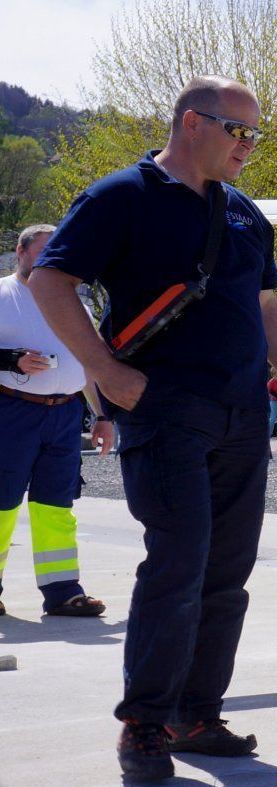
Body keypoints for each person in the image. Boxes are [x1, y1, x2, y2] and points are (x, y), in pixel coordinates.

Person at [32, 76, 277, 785]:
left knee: (227, 572)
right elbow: (50, 280)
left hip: (242, 415)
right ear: (193, 123)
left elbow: (264, 301)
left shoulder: (247, 213)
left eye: (257, 135)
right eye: (240, 132)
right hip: (165, 409)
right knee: (178, 564)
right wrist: (105, 370)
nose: (250, 146)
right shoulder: (120, 197)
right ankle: (146, 723)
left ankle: (198, 714)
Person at [0, 224, 111, 619]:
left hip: (65, 414)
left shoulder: (72, 303)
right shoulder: (2, 294)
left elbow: (90, 363)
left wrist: (102, 415)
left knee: (57, 504)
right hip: (11, 411)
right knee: (1, 502)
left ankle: (63, 592)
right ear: (21, 251)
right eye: (44, 250)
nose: (51, 258)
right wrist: (10, 360)